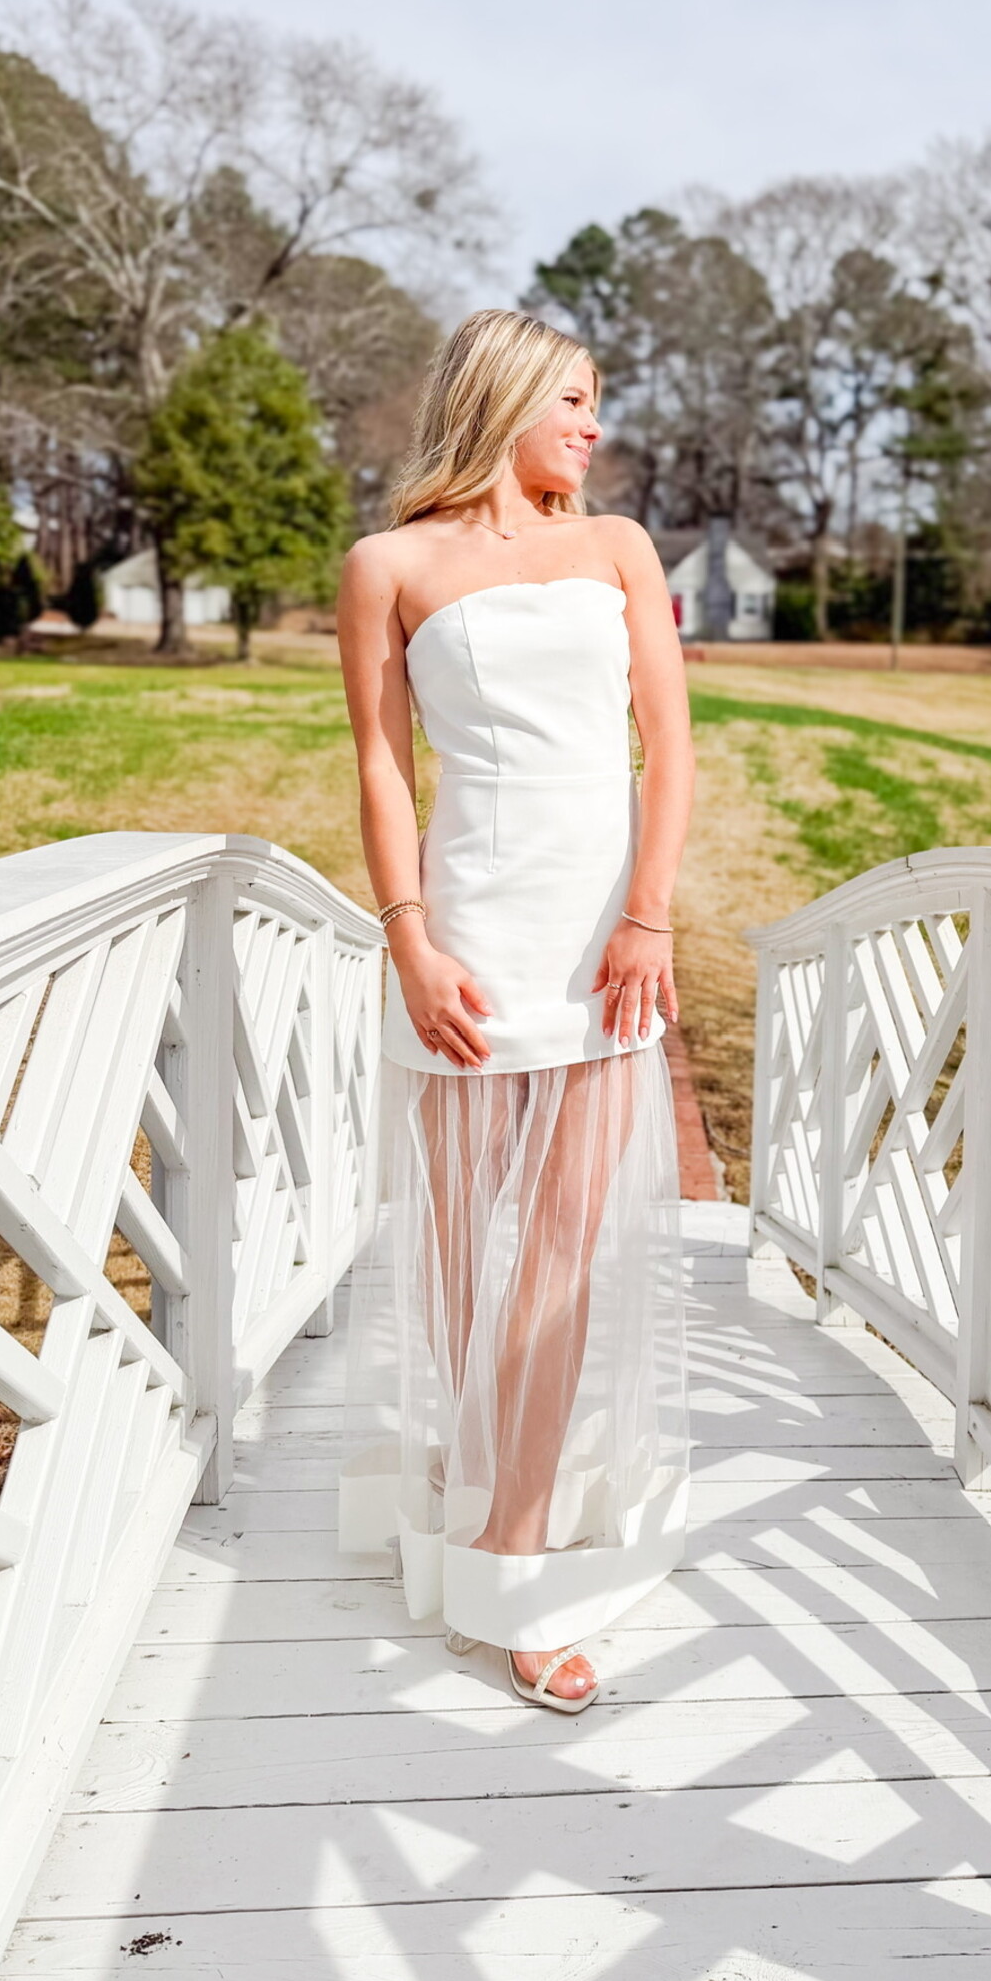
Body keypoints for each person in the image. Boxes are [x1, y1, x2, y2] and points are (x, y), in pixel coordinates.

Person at [337, 308, 695, 1712]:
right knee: (456, 1255)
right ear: (501, 398)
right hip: (471, 937)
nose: (594, 426)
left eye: (599, 401)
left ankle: (519, 1556)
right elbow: (381, 766)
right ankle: (466, 1476)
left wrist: (650, 914)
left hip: (604, 942)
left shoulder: (617, 551)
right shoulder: (390, 565)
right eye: (576, 398)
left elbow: (669, 746)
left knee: (561, 1252)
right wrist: (410, 939)